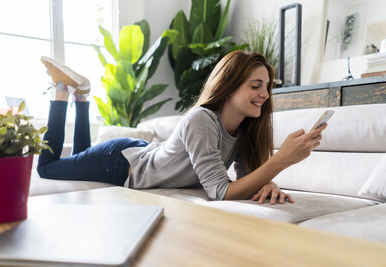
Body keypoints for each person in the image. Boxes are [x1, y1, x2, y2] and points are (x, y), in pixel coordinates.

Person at [37, 51, 327, 204]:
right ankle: (63, 93)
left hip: (141, 153)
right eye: (255, 86)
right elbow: (220, 192)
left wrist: (269, 184)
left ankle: (82, 95)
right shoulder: (202, 119)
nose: (264, 94)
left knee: (79, 156)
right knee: (47, 168)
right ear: (228, 87)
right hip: (118, 163)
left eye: (266, 86)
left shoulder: (244, 128)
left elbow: (245, 178)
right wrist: (280, 162)